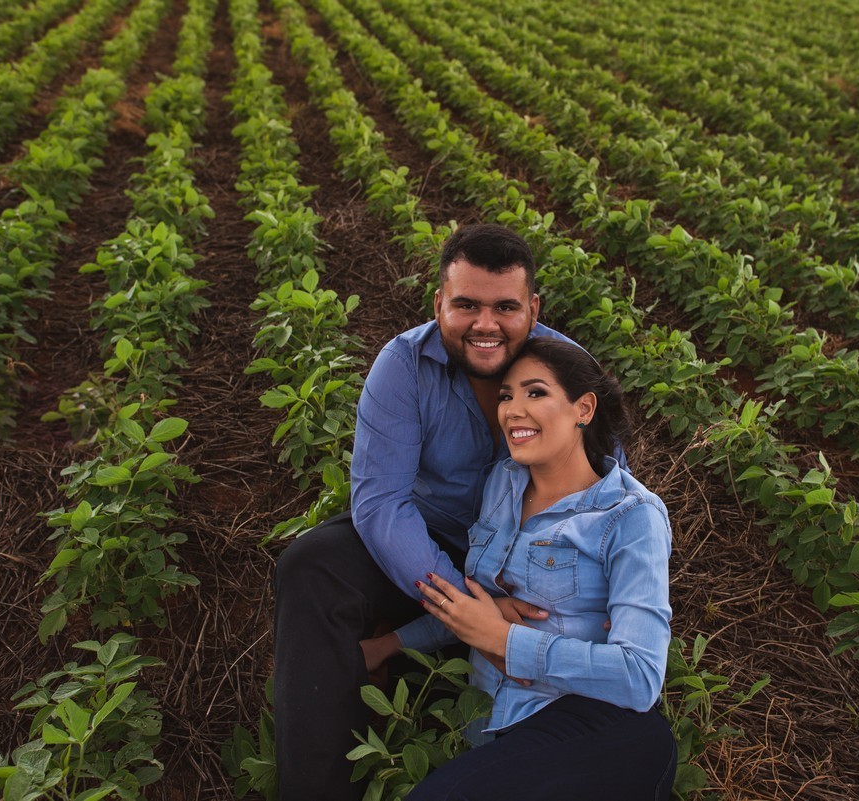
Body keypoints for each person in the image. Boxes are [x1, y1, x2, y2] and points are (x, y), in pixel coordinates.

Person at [273, 224, 579, 801]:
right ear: (439, 303)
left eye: (505, 307)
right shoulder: (403, 365)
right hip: (429, 535)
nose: (485, 325)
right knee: (311, 567)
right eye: (466, 305)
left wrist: (535, 593)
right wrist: (467, 607)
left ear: (533, 309)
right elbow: (381, 503)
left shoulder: (571, 372)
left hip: (527, 555)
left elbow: (602, 501)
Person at [361, 337, 677, 801]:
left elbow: (640, 676)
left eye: (536, 393)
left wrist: (504, 642)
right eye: (506, 395)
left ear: (583, 408)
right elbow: (484, 609)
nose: (512, 409)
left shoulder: (629, 517)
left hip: (578, 720)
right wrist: (392, 644)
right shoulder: (503, 483)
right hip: (490, 727)